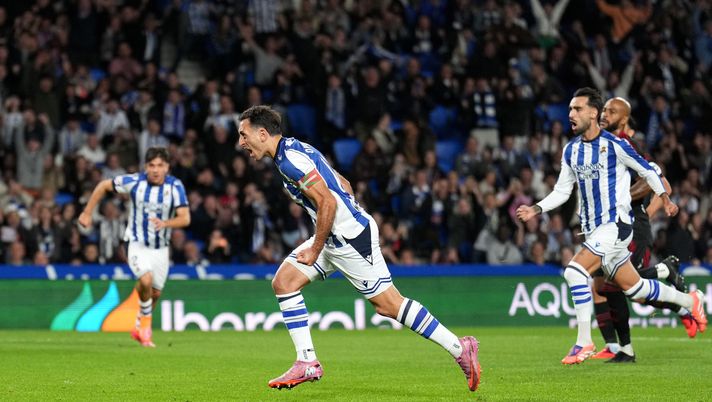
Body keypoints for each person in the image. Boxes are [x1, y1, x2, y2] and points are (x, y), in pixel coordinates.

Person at [236, 106, 481, 391]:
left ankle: (459, 348)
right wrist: (338, 223)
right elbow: (343, 183)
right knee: (284, 282)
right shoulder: (295, 149)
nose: (241, 142)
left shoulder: (290, 161)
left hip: (349, 239)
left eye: (244, 135)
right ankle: (307, 362)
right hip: (332, 235)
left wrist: (321, 243)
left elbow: (327, 202)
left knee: (389, 305)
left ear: (262, 133)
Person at [516, 88, 707, 365]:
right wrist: (536, 208)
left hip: (615, 226)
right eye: (570, 109)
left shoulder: (615, 145)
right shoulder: (571, 150)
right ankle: (691, 302)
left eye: (577, 109)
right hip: (595, 230)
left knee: (574, 272)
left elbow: (648, 169)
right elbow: (562, 191)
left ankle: (583, 341)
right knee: (636, 289)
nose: (571, 114)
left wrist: (664, 199)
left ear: (593, 113)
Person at [591, 97, 696, 363]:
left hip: (631, 225)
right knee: (605, 284)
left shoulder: (629, 145)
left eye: (611, 111)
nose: (604, 114)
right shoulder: (601, 146)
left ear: (625, 121)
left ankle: (668, 276)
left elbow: (662, 185)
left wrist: (636, 212)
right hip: (612, 225)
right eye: (604, 110)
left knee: (626, 284)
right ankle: (621, 348)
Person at [78, 147, 190, 347]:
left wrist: (166, 224)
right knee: (145, 279)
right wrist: (87, 212)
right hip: (135, 242)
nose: (156, 170)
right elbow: (104, 185)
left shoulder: (175, 186)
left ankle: (138, 326)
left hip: (161, 248)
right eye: (152, 165)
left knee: (154, 293)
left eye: (160, 165)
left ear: (167, 167)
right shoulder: (134, 182)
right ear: (146, 167)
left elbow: (185, 218)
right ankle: (146, 328)